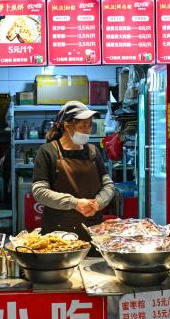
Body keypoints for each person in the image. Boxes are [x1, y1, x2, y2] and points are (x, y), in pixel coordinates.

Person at [32, 101, 115, 240]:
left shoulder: (93, 152)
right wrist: (74, 203)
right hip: (58, 233)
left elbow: (108, 185)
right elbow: (39, 191)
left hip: (93, 230)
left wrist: (98, 202)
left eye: (90, 125)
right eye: (83, 125)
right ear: (67, 126)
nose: (88, 130)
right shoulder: (48, 152)